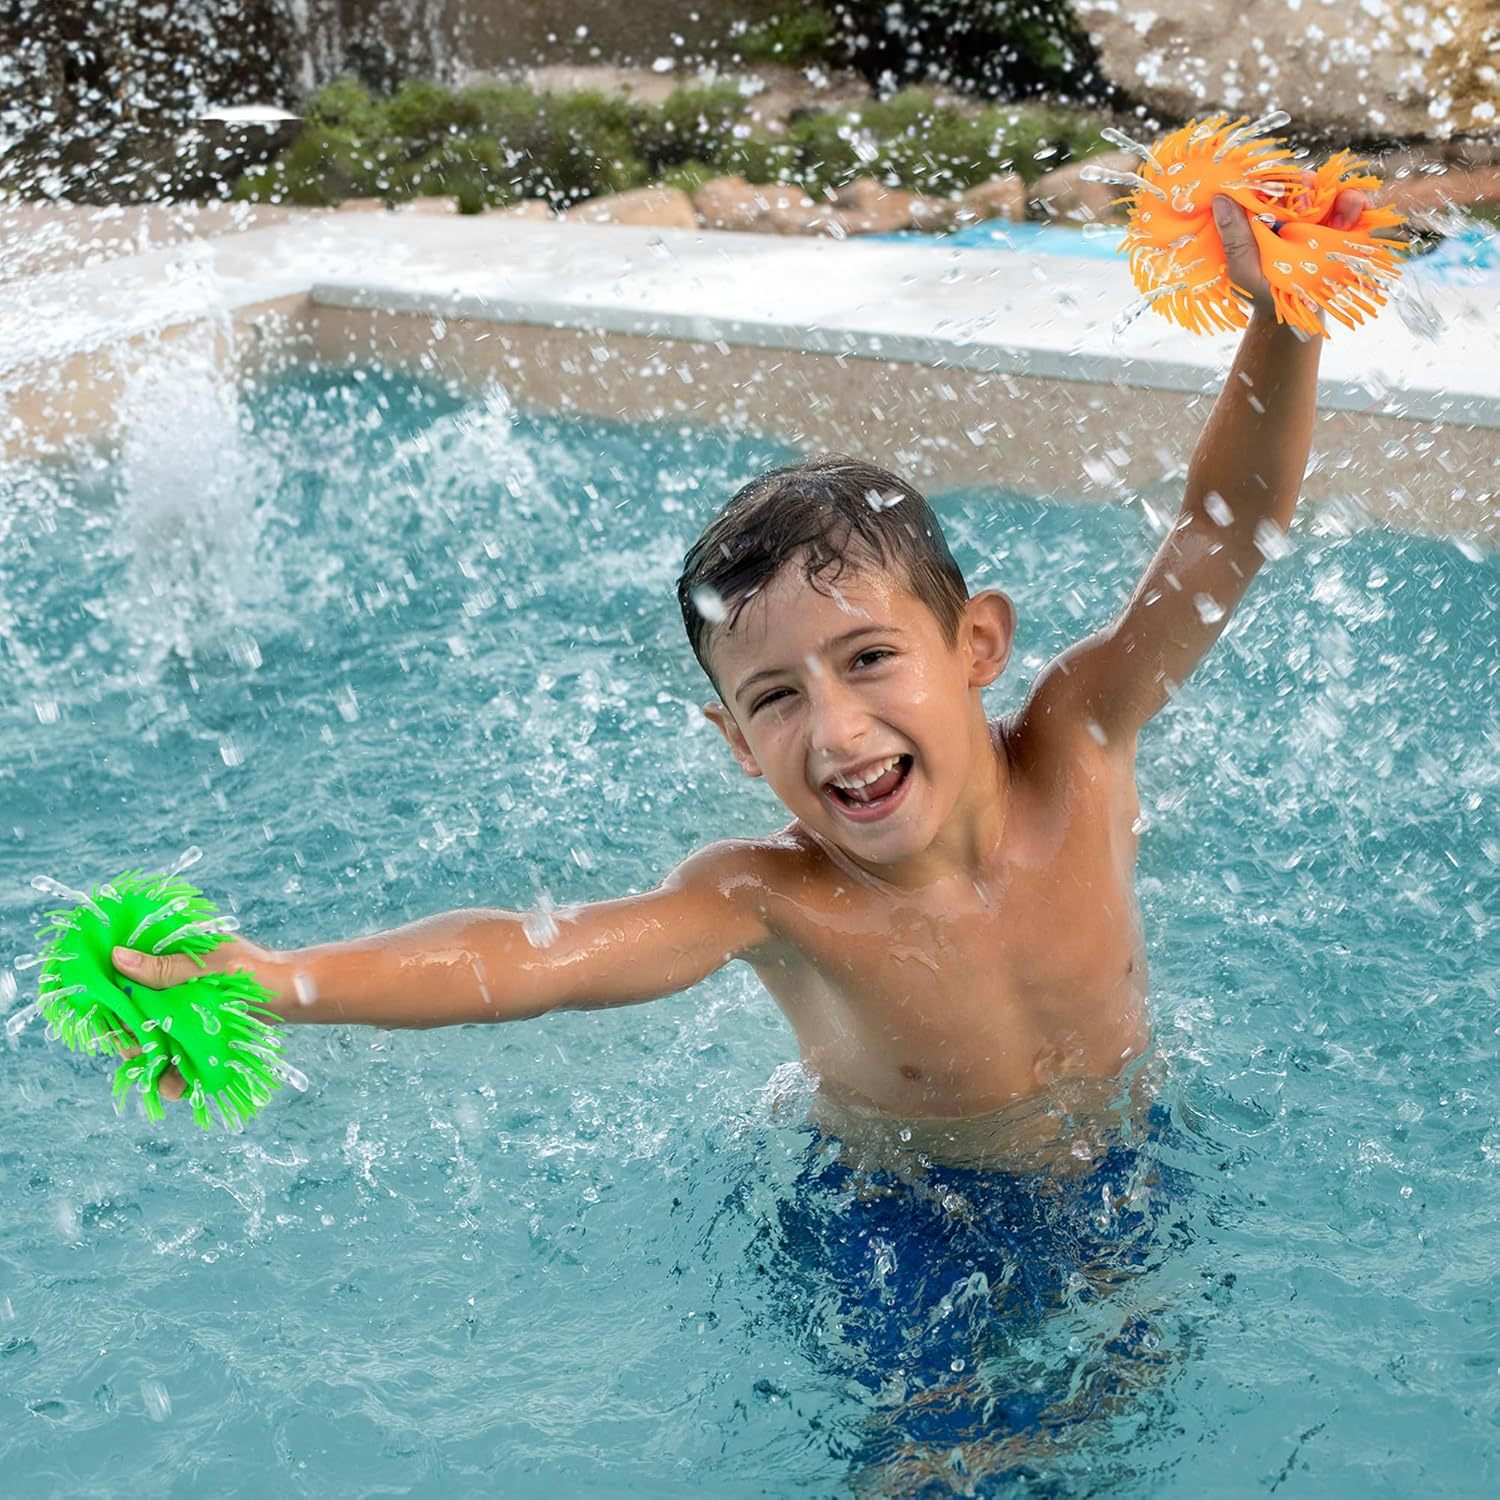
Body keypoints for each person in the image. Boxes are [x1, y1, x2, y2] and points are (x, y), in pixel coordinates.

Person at [109, 189, 1368, 1164]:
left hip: (1124, 1157)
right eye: (775, 699)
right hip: (900, 1211)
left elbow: (1223, 531)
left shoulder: (1081, 744)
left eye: (869, 658)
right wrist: (286, 980)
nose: (835, 728)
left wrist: (1286, 316)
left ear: (978, 644)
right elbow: (540, 957)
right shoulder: (774, 899)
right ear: (734, 743)